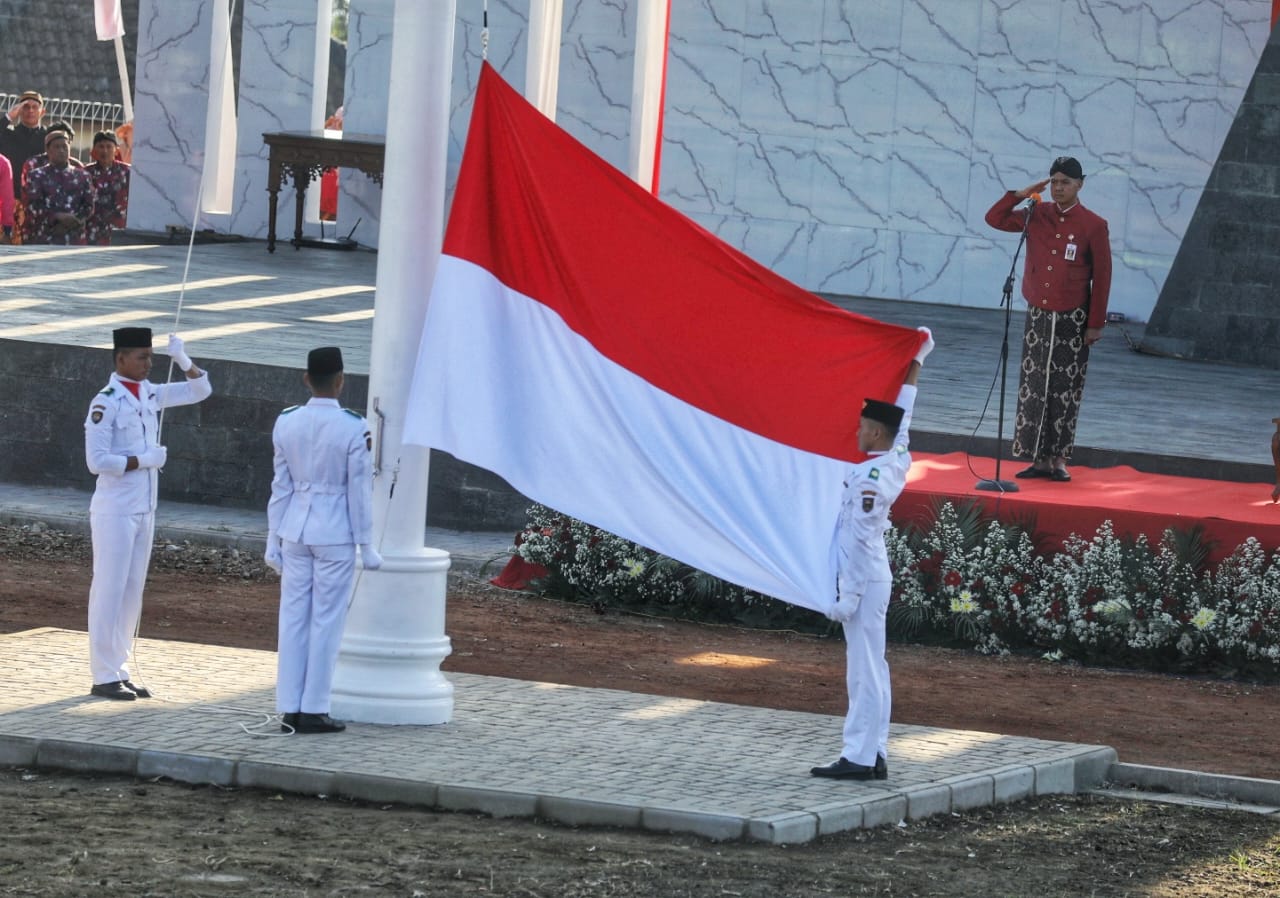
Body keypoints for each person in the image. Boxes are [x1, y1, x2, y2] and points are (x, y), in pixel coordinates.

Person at [811, 327, 933, 781]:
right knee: (873, 667)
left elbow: (859, 543)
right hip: (874, 576)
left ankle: (859, 757)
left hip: (864, 577)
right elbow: (906, 415)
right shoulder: (895, 455)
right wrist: (916, 360)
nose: (857, 430)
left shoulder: (868, 480)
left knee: (863, 672)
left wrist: (847, 597)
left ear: (876, 431)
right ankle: (874, 751)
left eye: (863, 426)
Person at [84, 328, 213, 700]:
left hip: (144, 507)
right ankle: (102, 673)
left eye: (151, 356)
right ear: (120, 358)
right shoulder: (105, 402)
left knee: (131, 591)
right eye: (142, 356)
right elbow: (96, 462)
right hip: (115, 509)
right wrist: (143, 461)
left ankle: (119, 668)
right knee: (108, 589)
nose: (148, 362)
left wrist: (183, 360)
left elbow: (201, 390)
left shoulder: (151, 393)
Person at [266, 347, 382, 735]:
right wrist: (367, 543)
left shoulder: (287, 422)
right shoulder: (354, 426)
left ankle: (289, 708)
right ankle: (314, 708)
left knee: (293, 618)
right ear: (340, 380)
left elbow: (280, 486)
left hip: (295, 529)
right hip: (334, 533)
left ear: (306, 379)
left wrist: (272, 535)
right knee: (326, 621)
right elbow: (359, 492)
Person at [984, 156, 1112, 483]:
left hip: (1074, 316)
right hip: (1039, 312)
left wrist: (1095, 323)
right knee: (1034, 385)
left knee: (1064, 388)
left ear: (1080, 185)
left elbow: (1103, 276)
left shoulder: (1093, 224)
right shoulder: (1036, 214)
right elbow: (994, 219)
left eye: (1065, 182)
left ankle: (1059, 460)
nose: (1058, 188)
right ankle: (1037, 459)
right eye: (1054, 182)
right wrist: (1022, 194)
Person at [25, 129, 94, 245]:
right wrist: (56, 217)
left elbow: (89, 207)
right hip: (45, 238)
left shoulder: (83, 176)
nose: (61, 151)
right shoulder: (36, 176)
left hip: (74, 240)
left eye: (64, 147)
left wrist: (70, 223)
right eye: (56, 147)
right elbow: (33, 206)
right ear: (47, 150)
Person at [85, 130, 130, 245]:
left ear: (116, 150)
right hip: (92, 230)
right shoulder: (85, 173)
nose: (105, 151)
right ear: (94, 150)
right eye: (100, 146)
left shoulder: (128, 172)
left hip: (119, 230)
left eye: (109, 147)